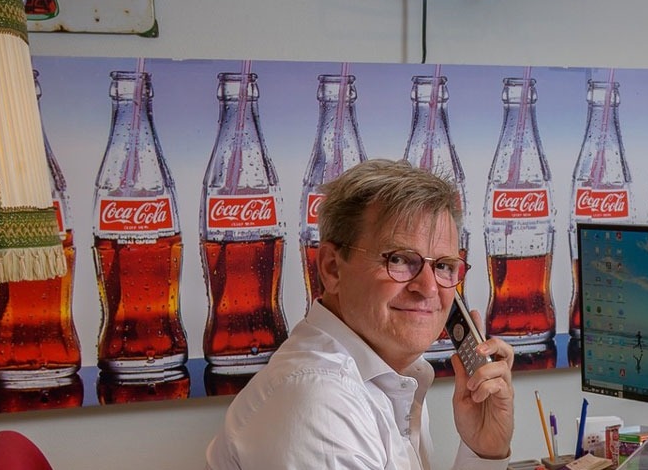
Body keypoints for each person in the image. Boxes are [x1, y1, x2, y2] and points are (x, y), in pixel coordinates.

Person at [207, 159, 515, 470]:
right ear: (332, 268)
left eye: (444, 266)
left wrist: (483, 451)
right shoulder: (321, 403)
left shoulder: (390, 375)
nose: (429, 288)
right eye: (400, 259)